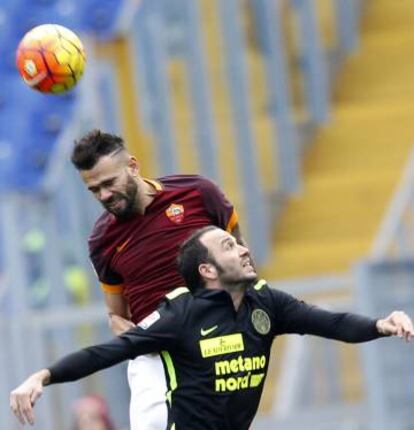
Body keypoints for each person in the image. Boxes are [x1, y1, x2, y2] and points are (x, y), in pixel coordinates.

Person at [10, 226, 414, 430]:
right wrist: (43, 376)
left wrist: (382, 324)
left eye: (237, 244)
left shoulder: (267, 302)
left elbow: (333, 323)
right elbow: (107, 352)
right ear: (207, 270)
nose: (243, 248)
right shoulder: (181, 316)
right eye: (228, 246)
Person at [69, 130, 244, 430]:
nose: (104, 196)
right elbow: (116, 314)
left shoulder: (198, 193)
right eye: (94, 190)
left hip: (215, 342)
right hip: (154, 353)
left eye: (109, 183)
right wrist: (133, 336)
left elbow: (241, 261)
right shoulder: (101, 240)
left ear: (133, 167)